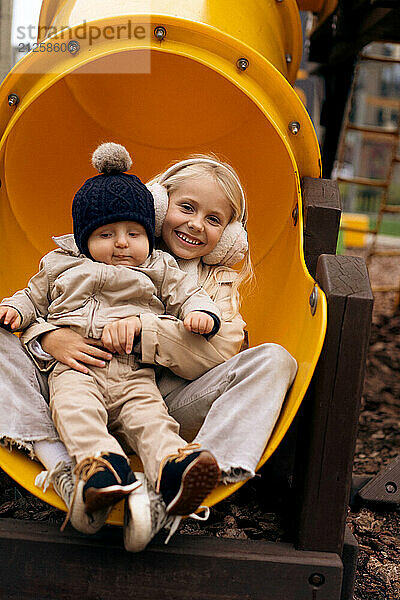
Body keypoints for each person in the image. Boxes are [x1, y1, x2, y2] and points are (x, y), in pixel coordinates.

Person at [0, 150, 297, 552]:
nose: (195, 225)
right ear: (159, 204)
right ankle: (67, 470)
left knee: (276, 360)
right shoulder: (97, 241)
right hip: (73, 378)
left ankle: (176, 491)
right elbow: (37, 295)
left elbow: (223, 351)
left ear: (229, 236)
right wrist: (48, 336)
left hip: (159, 397)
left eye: (214, 220)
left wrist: (145, 330)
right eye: (186, 208)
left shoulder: (209, 281)